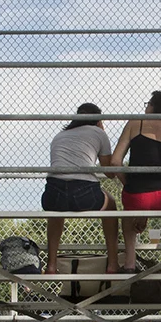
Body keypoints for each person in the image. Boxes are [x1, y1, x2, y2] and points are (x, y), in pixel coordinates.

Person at [41, 103, 121, 274]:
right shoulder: (99, 133)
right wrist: (102, 133)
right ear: (98, 120)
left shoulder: (60, 135)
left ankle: (51, 265)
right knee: (111, 204)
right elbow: (109, 172)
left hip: (53, 193)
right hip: (83, 192)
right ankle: (113, 264)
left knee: (56, 212)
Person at [111, 90, 161, 272]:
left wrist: (129, 184)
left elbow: (114, 163)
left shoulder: (136, 123)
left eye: (148, 104)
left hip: (137, 197)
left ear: (154, 106)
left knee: (129, 210)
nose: (146, 107)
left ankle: (129, 262)